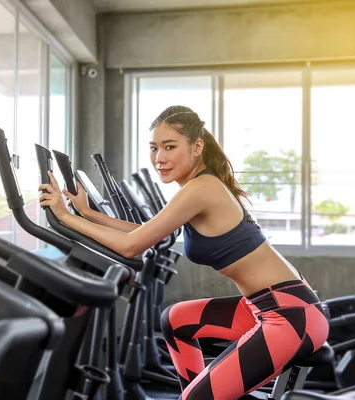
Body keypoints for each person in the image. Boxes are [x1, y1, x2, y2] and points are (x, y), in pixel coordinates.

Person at [38, 105, 330, 400]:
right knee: (175, 320)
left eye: (169, 147)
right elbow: (143, 231)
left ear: (197, 147)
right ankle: (193, 391)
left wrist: (65, 217)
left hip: (289, 317)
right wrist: (88, 213)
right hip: (268, 306)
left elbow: (132, 244)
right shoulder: (199, 186)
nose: (159, 158)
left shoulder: (201, 188)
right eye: (154, 148)